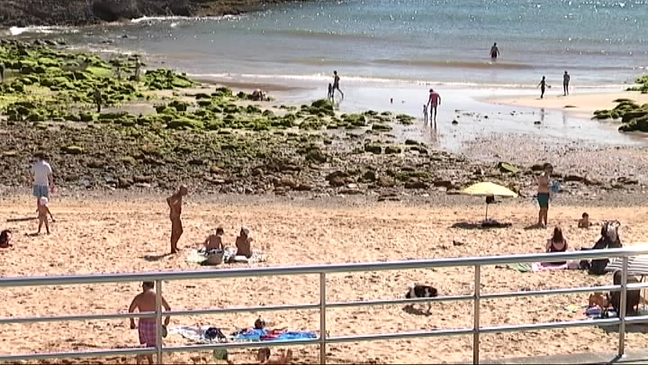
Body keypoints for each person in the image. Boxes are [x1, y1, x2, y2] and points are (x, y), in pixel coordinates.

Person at [128, 281, 171, 365]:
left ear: (144, 285)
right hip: (154, 324)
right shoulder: (157, 296)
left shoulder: (139, 297)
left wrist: (132, 322)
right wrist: (167, 320)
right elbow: (168, 308)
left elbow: (131, 310)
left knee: (148, 344)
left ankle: (149, 360)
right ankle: (142, 356)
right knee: (155, 346)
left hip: (143, 325)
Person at [167, 185, 188, 254]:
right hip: (175, 216)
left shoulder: (179, 196)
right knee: (174, 232)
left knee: (180, 231)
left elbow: (168, 199)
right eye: (185, 190)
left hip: (177, 216)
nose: (186, 192)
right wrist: (173, 209)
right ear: (181, 190)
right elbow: (170, 201)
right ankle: (172, 249)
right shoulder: (176, 196)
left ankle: (175, 246)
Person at [536, 163, 553, 228]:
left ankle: (545, 222)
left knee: (546, 209)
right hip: (541, 193)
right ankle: (540, 222)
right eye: (548, 168)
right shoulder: (542, 176)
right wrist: (548, 186)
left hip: (546, 194)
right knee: (542, 208)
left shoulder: (548, 177)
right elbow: (542, 185)